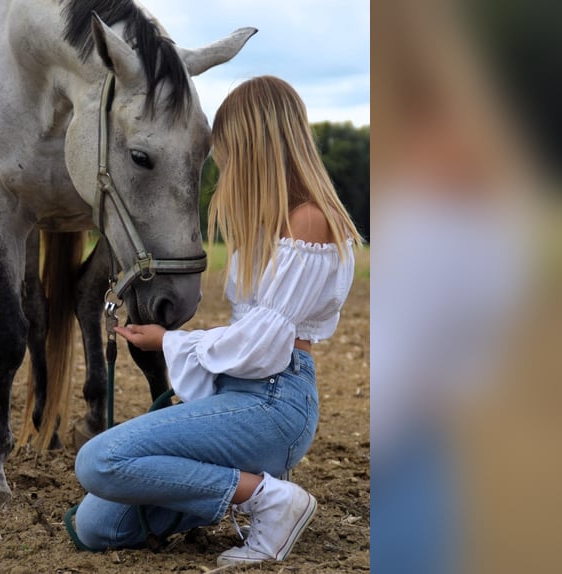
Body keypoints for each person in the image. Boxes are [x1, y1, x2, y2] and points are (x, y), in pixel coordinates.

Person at [73, 75, 363, 566]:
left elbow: (261, 347)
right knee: (97, 524)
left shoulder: (310, 222)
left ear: (257, 148)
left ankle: (269, 499)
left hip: (273, 401)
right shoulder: (268, 231)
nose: (224, 171)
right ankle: (248, 487)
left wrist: (171, 342)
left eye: (228, 156)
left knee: (99, 460)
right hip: (240, 398)